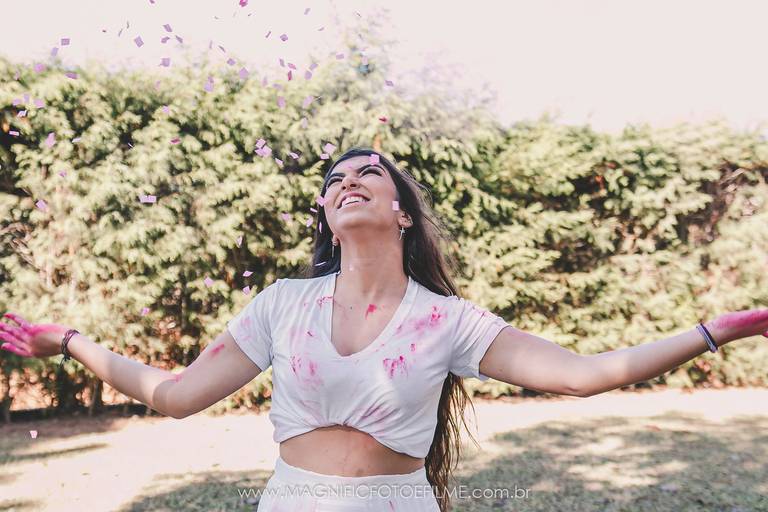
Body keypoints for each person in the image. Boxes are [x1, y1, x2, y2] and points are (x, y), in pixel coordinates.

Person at [2, 147, 767, 512]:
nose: (349, 182)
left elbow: (585, 374)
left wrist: (723, 329)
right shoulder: (281, 305)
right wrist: (67, 340)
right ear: (328, 216)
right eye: (335, 180)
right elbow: (174, 396)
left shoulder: (449, 321)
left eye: (369, 173)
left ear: (401, 212)